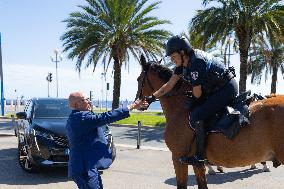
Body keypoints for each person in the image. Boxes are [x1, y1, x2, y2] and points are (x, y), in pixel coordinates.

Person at [144, 36, 238, 167]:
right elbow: (169, 85)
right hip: (216, 88)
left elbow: (198, 94)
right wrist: (152, 98)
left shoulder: (196, 63)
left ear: (182, 53)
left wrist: (193, 96)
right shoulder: (183, 64)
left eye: (173, 56)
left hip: (226, 89)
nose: (172, 59)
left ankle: (200, 156)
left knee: (197, 115)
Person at [66, 92, 146, 189]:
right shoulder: (81, 117)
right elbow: (105, 117)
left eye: (88, 98)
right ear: (76, 104)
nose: (89, 101)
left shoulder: (79, 117)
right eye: (85, 99)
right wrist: (132, 106)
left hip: (89, 166)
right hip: (84, 168)